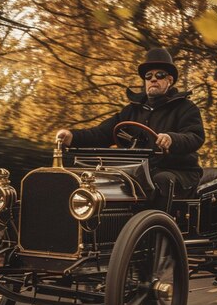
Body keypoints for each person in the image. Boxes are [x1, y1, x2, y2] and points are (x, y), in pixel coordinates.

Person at [55, 47, 205, 211]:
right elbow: (101, 133)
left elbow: (194, 136)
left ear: (169, 80)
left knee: (162, 180)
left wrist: (171, 139)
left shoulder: (185, 107)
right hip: (135, 170)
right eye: (148, 76)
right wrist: (71, 137)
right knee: (96, 179)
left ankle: (156, 231)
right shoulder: (131, 111)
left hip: (178, 171)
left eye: (159, 75)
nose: (153, 79)